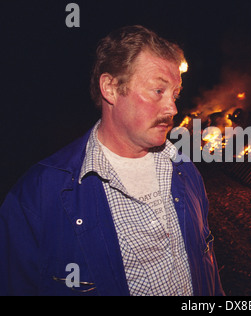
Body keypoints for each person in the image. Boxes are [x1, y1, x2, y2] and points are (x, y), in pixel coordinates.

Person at [0, 25, 224, 296]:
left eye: (175, 94)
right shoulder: (38, 195)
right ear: (111, 88)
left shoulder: (185, 171)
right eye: (158, 91)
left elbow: (208, 271)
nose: (172, 108)